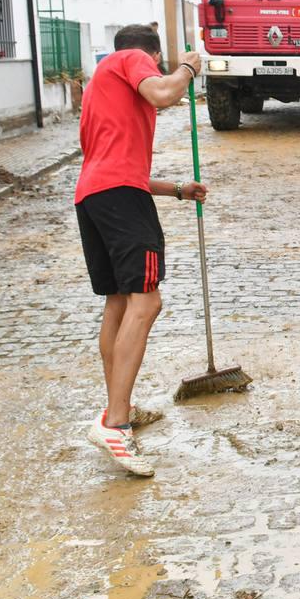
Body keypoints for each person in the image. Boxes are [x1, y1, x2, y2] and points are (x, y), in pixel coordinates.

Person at [75, 24, 206, 477]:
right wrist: (187, 66)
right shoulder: (133, 60)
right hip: (119, 199)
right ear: (148, 54)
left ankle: (120, 405)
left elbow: (115, 163)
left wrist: (177, 190)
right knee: (147, 302)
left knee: (119, 301)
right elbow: (164, 93)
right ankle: (115, 423)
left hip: (93, 196)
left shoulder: (99, 88)